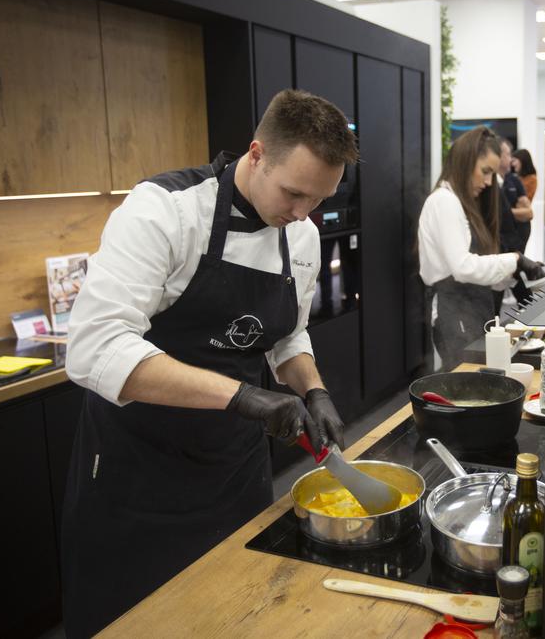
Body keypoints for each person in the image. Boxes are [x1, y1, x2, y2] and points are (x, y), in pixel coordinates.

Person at [61, 90, 357, 637]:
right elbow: (93, 346)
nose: (301, 213)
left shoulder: (305, 236)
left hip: (233, 467)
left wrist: (314, 390)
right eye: (294, 193)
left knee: (235, 611)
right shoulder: (164, 210)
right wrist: (240, 395)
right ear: (256, 153)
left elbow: (287, 336)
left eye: (318, 200)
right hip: (139, 472)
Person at [418, 127, 545, 371]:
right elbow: (463, 267)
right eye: (485, 172)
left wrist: (510, 274)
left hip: (475, 307)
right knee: (464, 383)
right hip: (452, 311)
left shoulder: (461, 202)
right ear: (466, 161)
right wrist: (514, 260)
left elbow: (477, 265)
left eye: (492, 174)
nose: (488, 182)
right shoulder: (444, 201)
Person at [499, 138, 533, 250]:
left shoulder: (515, 180)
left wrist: (505, 213)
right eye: (508, 155)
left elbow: (529, 213)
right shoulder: (489, 183)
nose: (511, 160)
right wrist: (516, 212)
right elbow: (495, 215)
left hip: (518, 239)